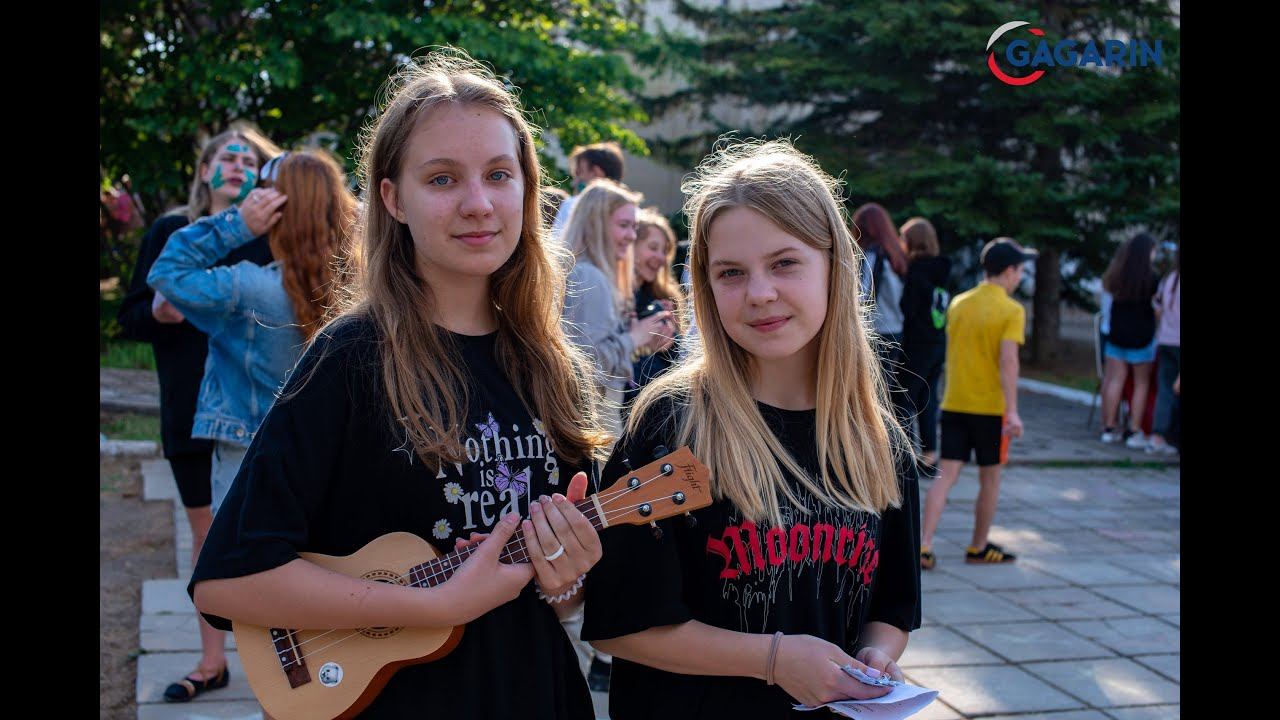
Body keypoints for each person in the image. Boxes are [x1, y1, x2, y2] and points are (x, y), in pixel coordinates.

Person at [188, 48, 612, 719]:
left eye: (500, 174)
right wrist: (431, 606)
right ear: (393, 199)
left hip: (531, 692)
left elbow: (559, 596)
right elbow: (227, 579)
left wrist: (571, 577)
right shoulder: (352, 357)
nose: (479, 203)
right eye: (443, 179)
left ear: (528, 190)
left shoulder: (551, 367)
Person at [581, 139, 921, 719]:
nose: (760, 293)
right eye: (731, 273)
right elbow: (617, 627)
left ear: (834, 266)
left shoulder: (876, 429)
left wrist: (875, 657)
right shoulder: (671, 423)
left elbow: (893, 606)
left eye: (785, 263)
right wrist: (774, 659)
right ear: (706, 288)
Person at [115, 124, 280, 702]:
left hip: (255, 411)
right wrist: (159, 316)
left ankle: (282, 657)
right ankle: (213, 661)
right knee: (207, 539)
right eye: (225, 156)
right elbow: (130, 315)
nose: (236, 165)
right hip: (188, 408)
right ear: (205, 168)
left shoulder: (270, 240)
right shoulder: (171, 232)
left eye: (248, 159)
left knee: (270, 538)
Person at [149, 148, 355, 515]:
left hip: (248, 459)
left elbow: (168, 273)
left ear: (275, 209)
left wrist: (237, 223)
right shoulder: (362, 290)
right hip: (330, 459)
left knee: (240, 566)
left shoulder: (249, 288)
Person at [919, 237, 1036, 570]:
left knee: (946, 475)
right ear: (1009, 271)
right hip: (990, 409)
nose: (1020, 276)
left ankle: (923, 545)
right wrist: (1012, 410)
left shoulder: (959, 303)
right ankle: (978, 546)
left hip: (955, 402)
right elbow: (1009, 361)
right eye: (1020, 270)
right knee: (990, 479)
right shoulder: (1012, 310)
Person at [561, 179, 674, 437]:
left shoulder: (585, 273)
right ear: (596, 223)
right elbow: (586, 365)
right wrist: (636, 337)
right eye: (624, 225)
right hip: (594, 420)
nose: (631, 236)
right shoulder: (589, 277)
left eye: (634, 227)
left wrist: (642, 342)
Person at [897, 217, 951, 475]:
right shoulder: (942, 270)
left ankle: (904, 459)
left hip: (917, 344)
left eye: (903, 238)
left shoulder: (916, 272)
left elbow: (907, 308)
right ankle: (930, 457)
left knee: (902, 399)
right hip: (939, 342)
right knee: (928, 400)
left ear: (912, 242)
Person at [1098, 232, 1160, 448]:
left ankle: (1108, 426)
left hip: (1117, 335)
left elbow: (1106, 307)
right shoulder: (1151, 279)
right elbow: (1156, 309)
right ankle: (1133, 430)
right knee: (1141, 384)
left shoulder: (1116, 276)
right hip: (1142, 338)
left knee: (1114, 380)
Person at [852, 203, 911, 426]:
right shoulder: (896, 255)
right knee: (885, 392)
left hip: (874, 331)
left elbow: (863, 294)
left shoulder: (871, 254)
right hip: (896, 329)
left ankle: (876, 445)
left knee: (871, 394)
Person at [629, 208, 685, 396]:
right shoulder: (607, 298)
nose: (661, 258)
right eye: (653, 248)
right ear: (630, 244)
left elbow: (682, 366)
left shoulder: (663, 298)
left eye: (664, 252)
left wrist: (671, 342)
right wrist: (639, 345)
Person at [550, 141, 626, 242]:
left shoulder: (573, 205)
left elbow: (557, 247)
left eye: (579, 172)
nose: (574, 182)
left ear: (596, 173)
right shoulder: (632, 212)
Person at [1146, 244, 1179, 455]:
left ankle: (1158, 436)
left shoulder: (1169, 279)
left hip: (1165, 340)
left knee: (1165, 389)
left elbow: (1156, 306)